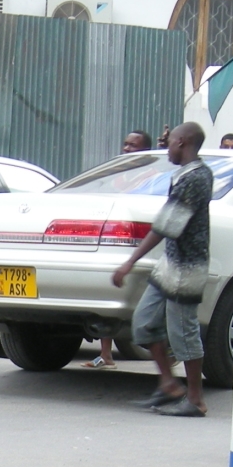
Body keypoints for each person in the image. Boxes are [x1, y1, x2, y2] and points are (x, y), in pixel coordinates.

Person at [111, 122, 212, 417]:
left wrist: (129, 262)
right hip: (170, 264)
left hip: (187, 267)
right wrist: (167, 144)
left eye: (171, 144)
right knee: (144, 324)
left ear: (182, 143)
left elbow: (167, 226)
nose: (167, 148)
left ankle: (195, 399)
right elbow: (175, 152)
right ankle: (168, 384)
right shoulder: (185, 171)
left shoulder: (196, 179)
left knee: (183, 334)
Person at [85, 131, 157, 369]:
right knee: (109, 296)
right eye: (125, 144)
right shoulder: (117, 176)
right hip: (114, 240)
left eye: (133, 146)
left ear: (145, 150)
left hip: (137, 242)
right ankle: (106, 355)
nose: (127, 149)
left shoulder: (152, 177)